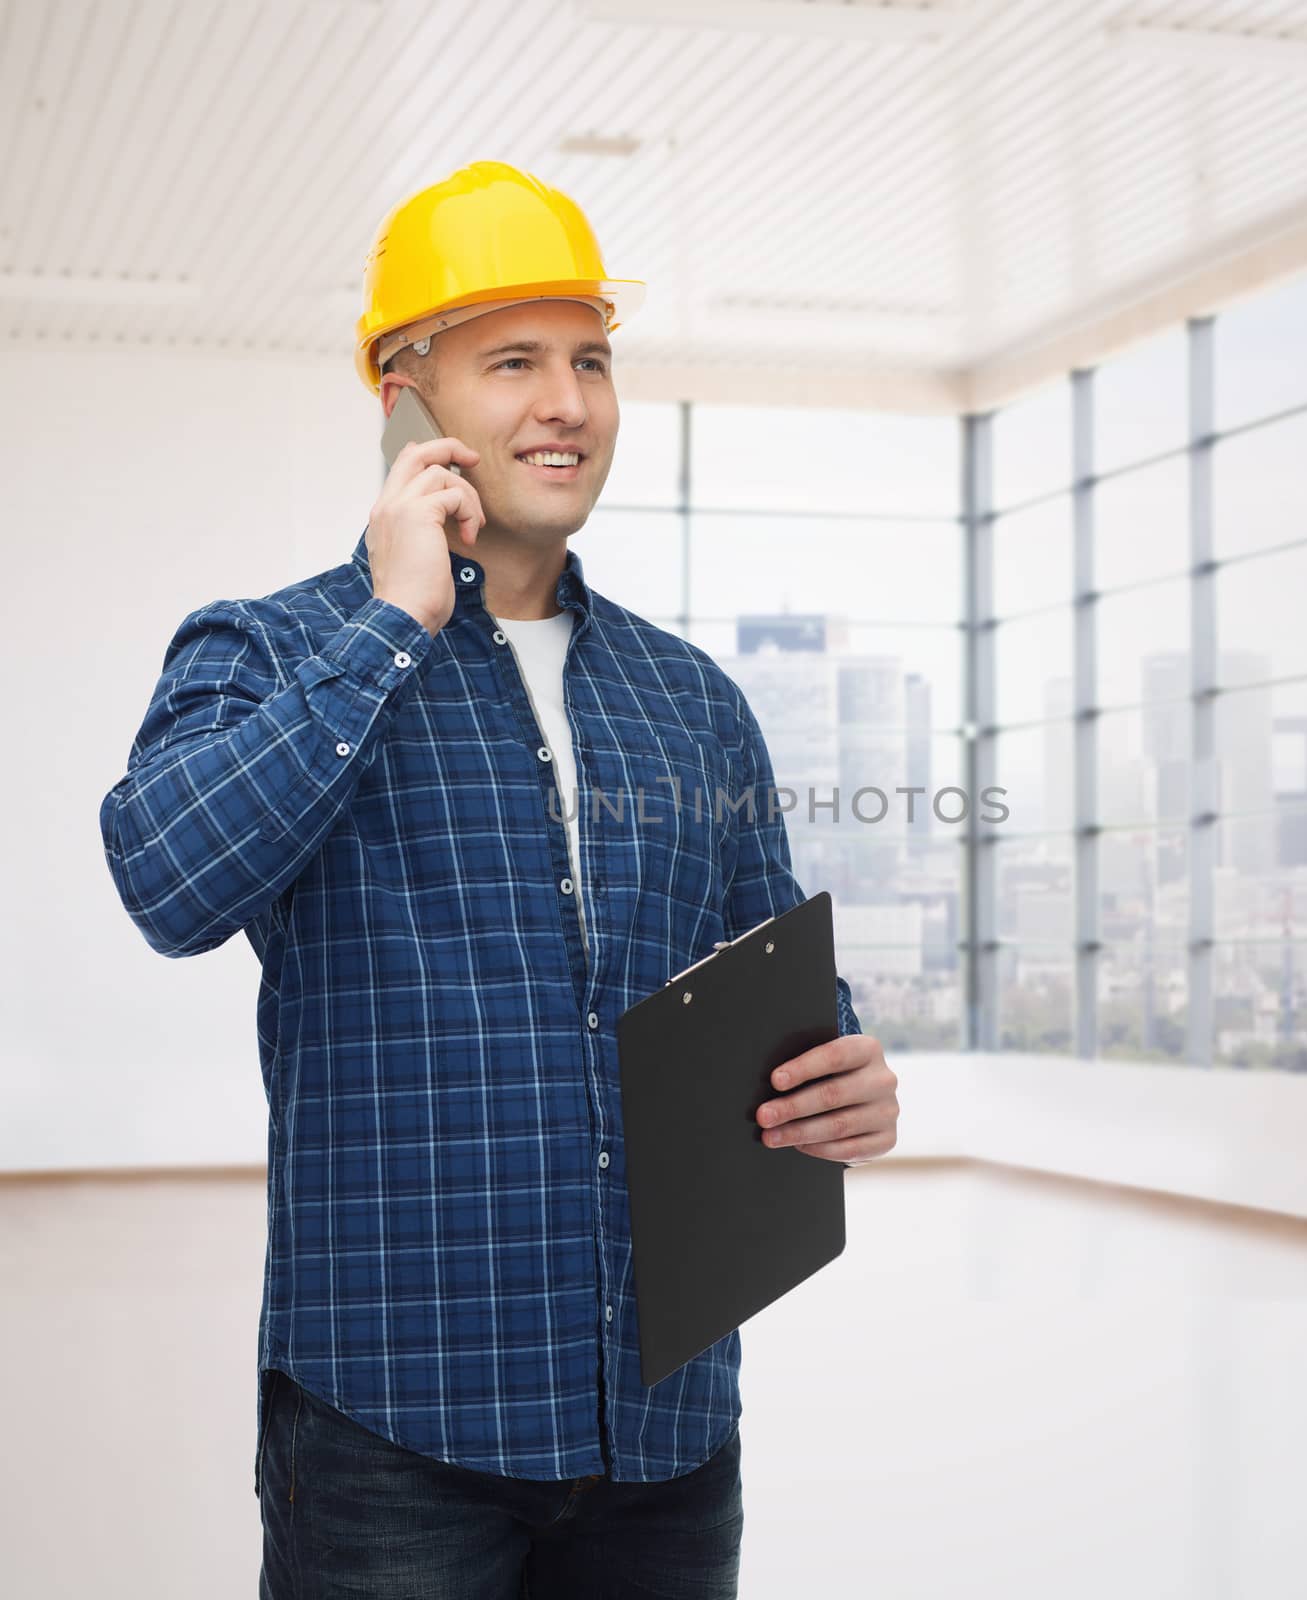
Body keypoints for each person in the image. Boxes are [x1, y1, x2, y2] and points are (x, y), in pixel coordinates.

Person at [97, 160, 899, 1598]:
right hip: (394, 1433)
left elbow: (766, 977)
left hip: (659, 1427)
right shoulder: (270, 653)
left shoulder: (690, 698)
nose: (568, 403)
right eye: (513, 361)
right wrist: (394, 619)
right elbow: (168, 879)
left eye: (590, 360)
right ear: (403, 399)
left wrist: (838, 1074)